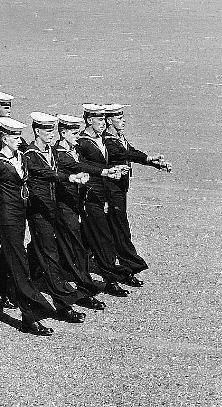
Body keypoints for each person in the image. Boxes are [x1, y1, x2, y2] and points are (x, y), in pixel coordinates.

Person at [0, 117, 59, 336]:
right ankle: (30, 318)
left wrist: (64, 176)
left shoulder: (19, 158)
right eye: (15, 137)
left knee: (7, 264)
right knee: (20, 266)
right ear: (4, 139)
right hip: (7, 220)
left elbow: (38, 173)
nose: (19, 140)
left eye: (19, 136)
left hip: (20, 217)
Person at [22, 112, 86, 323]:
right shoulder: (30, 154)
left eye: (52, 130)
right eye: (47, 130)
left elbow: (72, 166)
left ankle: (11, 285)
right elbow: (44, 173)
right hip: (38, 212)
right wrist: (69, 177)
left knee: (39, 254)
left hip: (50, 211)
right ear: (37, 131)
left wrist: (100, 172)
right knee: (50, 256)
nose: (51, 134)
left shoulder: (51, 151)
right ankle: (63, 304)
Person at [102, 104, 171, 287]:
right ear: (109, 120)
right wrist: (148, 159)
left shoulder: (118, 136)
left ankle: (122, 269)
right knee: (118, 230)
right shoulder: (107, 140)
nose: (123, 121)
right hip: (111, 191)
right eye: (119, 119)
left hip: (120, 189)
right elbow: (124, 153)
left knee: (113, 230)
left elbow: (130, 150)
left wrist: (154, 163)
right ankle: (127, 268)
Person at [52, 114, 111, 310]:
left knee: (66, 244)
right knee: (75, 246)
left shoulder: (74, 149)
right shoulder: (59, 153)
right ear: (63, 133)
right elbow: (77, 166)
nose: (77, 137)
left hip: (75, 203)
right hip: (64, 206)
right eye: (74, 133)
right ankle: (83, 288)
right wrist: (103, 171)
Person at [76, 104, 132, 297]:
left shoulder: (101, 140)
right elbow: (80, 166)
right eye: (99, 120)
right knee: (101, 239)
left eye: (103, 120)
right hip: (90, 197)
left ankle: (110, 277)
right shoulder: (82, 142)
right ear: (90, 121)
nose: (103, 123)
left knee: (87, 240)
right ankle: (109, 280)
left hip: (103, 196)